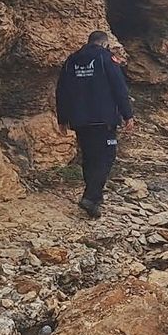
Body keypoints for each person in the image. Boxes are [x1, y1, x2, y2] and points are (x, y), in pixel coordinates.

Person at [56, 31, 134, 218]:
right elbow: (119, 88)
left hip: (80, 120)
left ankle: (94, 200)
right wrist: (128, 115)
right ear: (105, 44)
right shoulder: (106, 58)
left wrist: (63, 118)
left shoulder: (71, 60)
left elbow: (61, 90)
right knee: (106, 157)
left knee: (90, 157)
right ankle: (91, 197)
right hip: (103, 119)